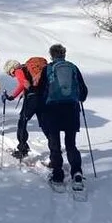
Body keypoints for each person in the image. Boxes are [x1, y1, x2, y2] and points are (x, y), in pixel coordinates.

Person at [35, 44, 89, 188]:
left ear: (51, 55)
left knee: (55, 145)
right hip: (71, 110)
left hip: (52, 110)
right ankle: (76, 172)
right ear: (64, 54)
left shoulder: (48, 69)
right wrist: (79, 99)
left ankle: (58, 175)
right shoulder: (73, 67)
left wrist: (41, 109)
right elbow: (83, 91)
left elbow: (41, 91)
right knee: (71, 144)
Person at [2, 56, 48, 159]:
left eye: (10, 73)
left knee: (22, 122)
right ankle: (55, 152)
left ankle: (22, 150)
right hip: (44, 98)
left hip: (32, 99)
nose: (12, 76)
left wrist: (29, 91)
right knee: (46, 125)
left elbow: (23, 83)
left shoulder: (19, 71)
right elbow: (23, 84)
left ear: (12, 69)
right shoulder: (27, 69)